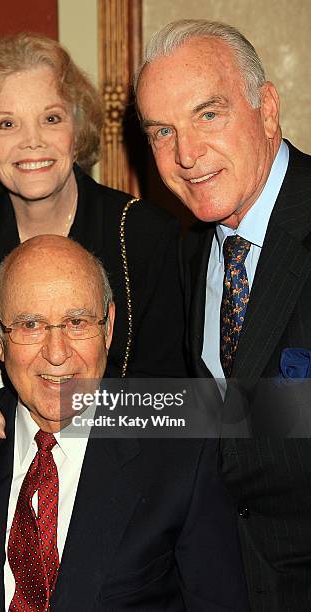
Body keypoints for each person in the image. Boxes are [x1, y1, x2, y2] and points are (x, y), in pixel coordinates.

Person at [0, 235, 249, 611]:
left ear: (109, 327)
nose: (56, 354)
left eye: (77, 321)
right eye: (30, 324)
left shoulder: (181, 455)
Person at [0, 32, 185, 441]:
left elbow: (166, 393)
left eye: (51, 118)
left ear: (78, 127)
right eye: (7, 123)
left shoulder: (143, 232)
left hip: (115, 465)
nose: (31, 141)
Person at [134, 18, 311, 611]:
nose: (186, 155)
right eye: (162, 131)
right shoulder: (187, 252)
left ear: (266, 110)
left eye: (208, 114)